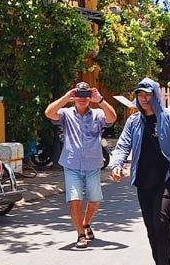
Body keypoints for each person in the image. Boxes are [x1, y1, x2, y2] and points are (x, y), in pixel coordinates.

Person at [110, 78, 170, 265]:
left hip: (166, 177)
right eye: (140, 95)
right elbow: (122, 145)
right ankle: (158, 264)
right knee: (150, 225)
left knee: (162, 221)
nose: (144, 99)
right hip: (143, 179)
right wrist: (117, 165)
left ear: (155, 95)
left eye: (148, 94)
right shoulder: (134, 121)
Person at [45, 82, 117, 249]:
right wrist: (66, 97)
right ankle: (80, 234)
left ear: (90, 97)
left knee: (95, 200)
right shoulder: (66, 114)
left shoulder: (98, 113)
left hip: (93, 164)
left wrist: (100, 100)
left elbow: (112, 118)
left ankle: (86, 222)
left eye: (86, 95)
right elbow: (49, 113)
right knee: (74, 199)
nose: (82, 99)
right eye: (79, 95)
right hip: (71, 163)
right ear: (74, 97)